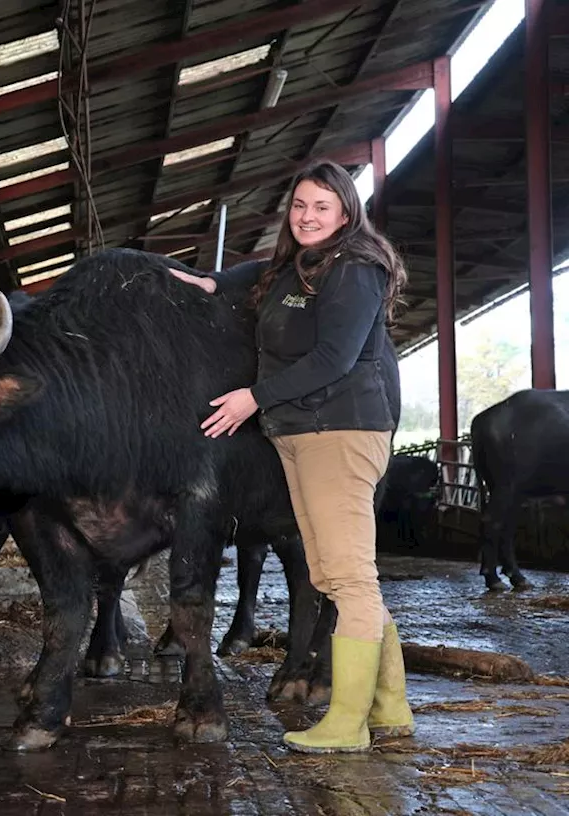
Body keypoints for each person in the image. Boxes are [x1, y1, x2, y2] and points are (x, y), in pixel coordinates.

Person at [169, 159, 414, 754]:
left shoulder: (355, 269)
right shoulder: (294, 267)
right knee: (330, 573)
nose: (308, 217)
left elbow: (334, 357)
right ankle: (389, 707)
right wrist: (211, 284)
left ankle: (348, 725)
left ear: (347, 212)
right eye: (300, 206)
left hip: (343, 430)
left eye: (322, 207)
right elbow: (257, 275)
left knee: (350, 579)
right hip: (301, 434)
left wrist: (253, 397)